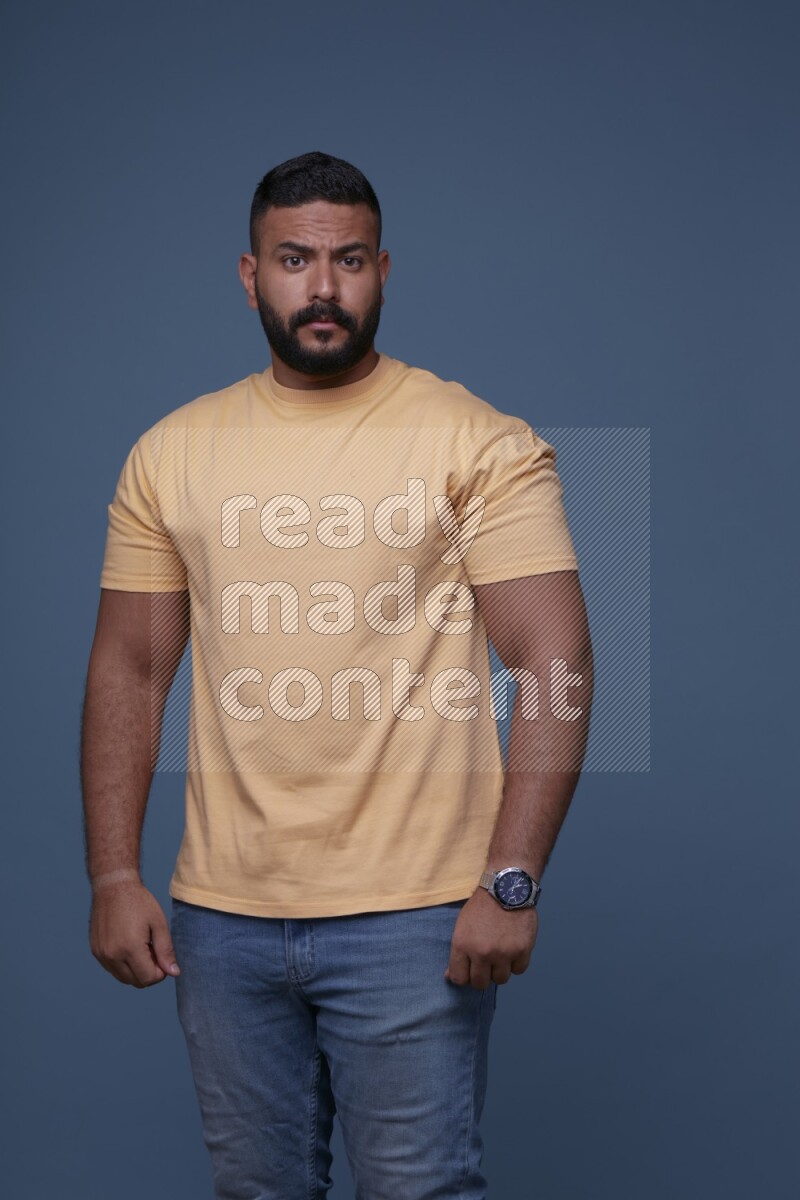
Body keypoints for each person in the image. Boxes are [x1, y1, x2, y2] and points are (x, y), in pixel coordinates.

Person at [81, 150, 594, 1199]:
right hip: (220, 918)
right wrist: (113, 874)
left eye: (347, 259)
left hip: (414, 913)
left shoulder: (474, 441)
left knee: (416, 1191)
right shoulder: (170, 452)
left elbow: (549, 659)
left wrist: (511, 879)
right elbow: (130, 669)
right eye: (294, 259)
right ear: (248, 272)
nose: (322, 287)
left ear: (383, 269)